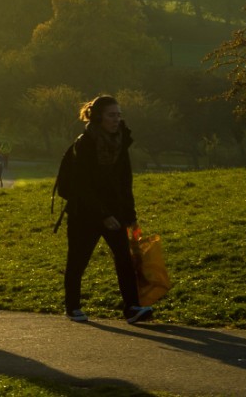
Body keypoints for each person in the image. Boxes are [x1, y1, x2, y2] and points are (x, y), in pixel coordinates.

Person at [61, 95, 153, 324]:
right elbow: (81, 185)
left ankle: (132, 308)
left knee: (124, 259)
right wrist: (102, 214)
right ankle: (72, 307)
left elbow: (125, 181)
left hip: (115, 211)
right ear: (98, 117)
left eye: (119, 114)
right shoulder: (85, 144)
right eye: (112, 115)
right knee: (78, 261)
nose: (116, 119)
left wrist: (130, 215)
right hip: (85, 213)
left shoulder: (121, 142)